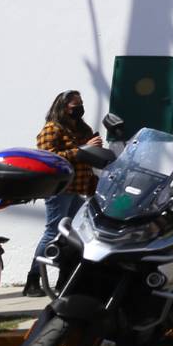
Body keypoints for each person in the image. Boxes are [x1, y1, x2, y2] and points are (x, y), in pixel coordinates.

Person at [28, 90, 102, 297]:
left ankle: (65, 279)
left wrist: (95, 149)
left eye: (81, 103)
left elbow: (88, 156)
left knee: (75, 235)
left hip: (80, 189)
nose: (79, 108)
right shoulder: (52, 128)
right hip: (60, 189)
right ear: (63, 107)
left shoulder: (82, 129)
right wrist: (82, 150)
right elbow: (48, 157)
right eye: (74, 104)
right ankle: (33, 279)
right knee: (53, 232)